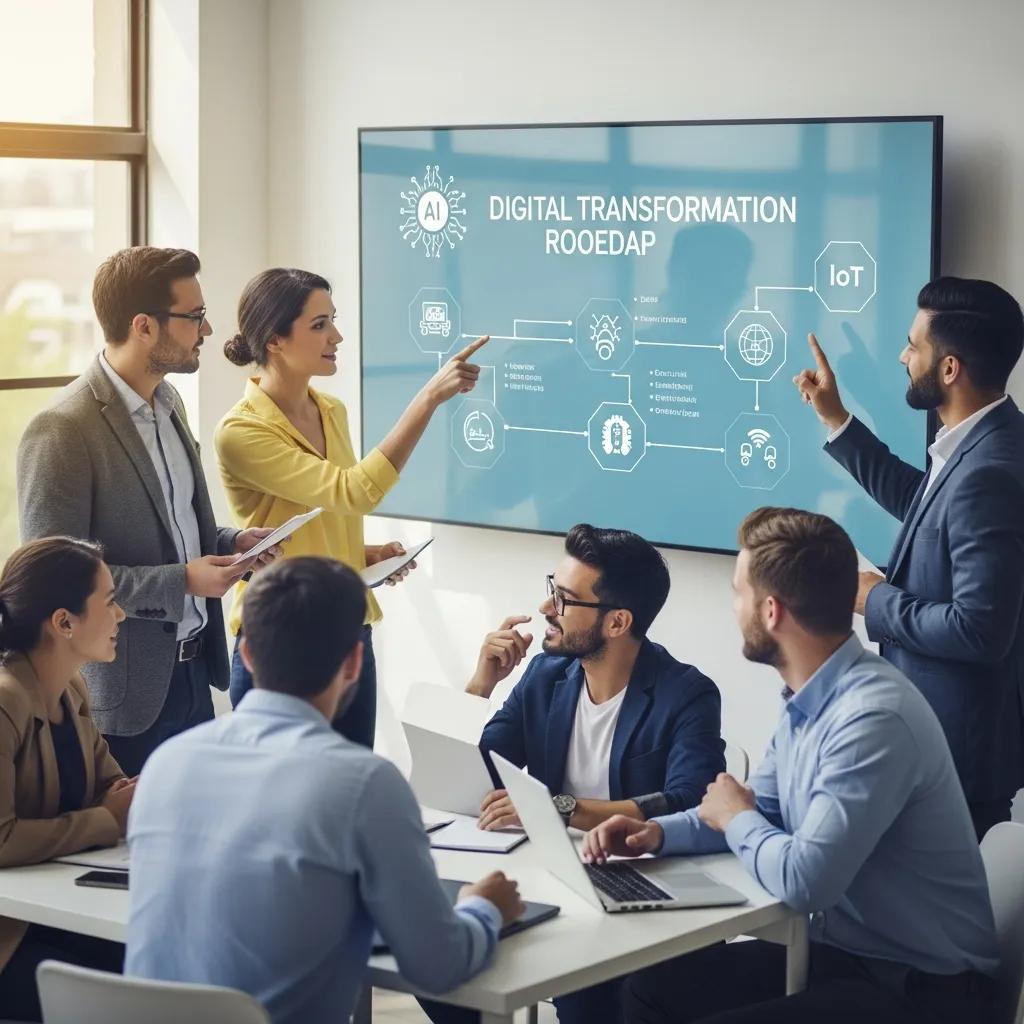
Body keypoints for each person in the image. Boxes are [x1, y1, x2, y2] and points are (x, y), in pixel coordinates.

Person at [582, 507, 999, 1024]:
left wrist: (736, 816)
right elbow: (763, 810)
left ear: (771, 611)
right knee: (652, 990)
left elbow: (804, 881)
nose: (734, 607)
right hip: (844, 955)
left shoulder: (872, 719)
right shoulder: (811, 697)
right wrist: (656, 834)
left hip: (923, 989)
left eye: (738, 593)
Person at [125, 556, 523, 1024]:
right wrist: (485, 908)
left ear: (246, 654)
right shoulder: (363, 785)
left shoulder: (167, 763)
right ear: (353, 662)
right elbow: (439, 966)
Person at [428, 523, 725, 1024]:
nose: (547, 607)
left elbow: (690, 802)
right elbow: (477, 773)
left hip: (644, 900)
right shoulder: (546, 676)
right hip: (553, 880)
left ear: (617, 622)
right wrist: (480, 684)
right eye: (553, 589)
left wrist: (560, 808)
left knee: (585, 997)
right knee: (437, 960)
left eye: (564, 599)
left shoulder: (686, 694)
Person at [17, 247, 280, 776]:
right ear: (143, 326)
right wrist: (182, 581)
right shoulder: (62, 429)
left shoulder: (170, 403)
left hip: (195, 675)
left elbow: (173, 527)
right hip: (122, 700)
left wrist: (231, 543)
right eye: (195, 316)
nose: (207, 330)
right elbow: (54, 586)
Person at [214, 267, 488, 748]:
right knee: (286, 786)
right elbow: (355, 491)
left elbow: (320, 521)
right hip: (282, 639)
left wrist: (362, 555)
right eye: (319, 325)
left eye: (333, 321)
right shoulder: (241, 433)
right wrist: (428, 399)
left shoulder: (330, 411)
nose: (336, 337)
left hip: (348, 629)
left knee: (348, 776)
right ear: (275, 339)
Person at [794, 276, 1024, 841]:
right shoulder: (984, 442)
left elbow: (980, 630)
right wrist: (837, 420)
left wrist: (873, 598)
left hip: (955, 757)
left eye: (912, 346)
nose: (902, 357)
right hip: (944, 745)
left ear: (949, 368)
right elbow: (923, 505)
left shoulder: (989, 469)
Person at [0, 538, 134, 1022]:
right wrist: (105, 820)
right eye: (110, 601)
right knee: (139, 991)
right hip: (10, 935)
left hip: (52, 911)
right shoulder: (5, 701)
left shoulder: (71, 689)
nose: (121, 615)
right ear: (63, 622)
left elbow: (114, 789)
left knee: (174, 963)